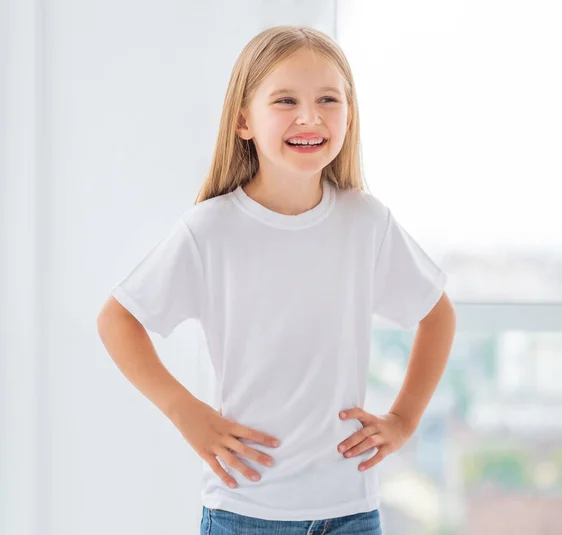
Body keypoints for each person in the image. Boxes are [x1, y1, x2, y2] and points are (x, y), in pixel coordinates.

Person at [97, 25, 456, 535]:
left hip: (352, 511)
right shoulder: (211, 229)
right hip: (244, 512)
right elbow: (118, 320)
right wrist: (185, 411)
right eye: (285, 100)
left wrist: (403, 419)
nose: (309, 116)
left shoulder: (366, 222)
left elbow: (436, 313)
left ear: (348, 115)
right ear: (244, 120)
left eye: (328, 99)